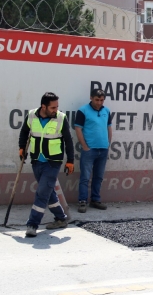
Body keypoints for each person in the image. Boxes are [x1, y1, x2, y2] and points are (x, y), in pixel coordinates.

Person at [19, 92, 74, 237]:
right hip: (37, 160)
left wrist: (70, 161)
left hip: (53, 162)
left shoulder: (61, 118)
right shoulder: (31, 115)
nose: (56, 110)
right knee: (48, 193)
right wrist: (21, 148)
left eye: (57, 107)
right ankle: (61, 218)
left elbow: (68, 140)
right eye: (53, 107)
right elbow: (24, 132)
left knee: (42, 192)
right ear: (43, 106)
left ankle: (32, 224)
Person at [75, 89, 113, 213]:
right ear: (91, 98)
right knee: (85, 177)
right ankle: (82, 201)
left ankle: (95, 200)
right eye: (97, 100)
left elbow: (109, 127)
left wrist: (108, 143)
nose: (99, 102)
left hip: (103, 149)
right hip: (89, 150)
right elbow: (78, 129)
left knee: (98, 177)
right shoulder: (83, 111)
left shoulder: (106, 111)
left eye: (102, 100)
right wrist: (85, 146)